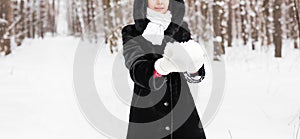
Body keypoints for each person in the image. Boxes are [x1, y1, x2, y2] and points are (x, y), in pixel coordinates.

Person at [122, 0, 207, 138]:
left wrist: (194, 65)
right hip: (147, 115)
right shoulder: (132, 33)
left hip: (183, 113)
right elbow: (135, 66)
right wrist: (159, 68)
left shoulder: (180, 30)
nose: (159, 2)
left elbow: (194, 73)